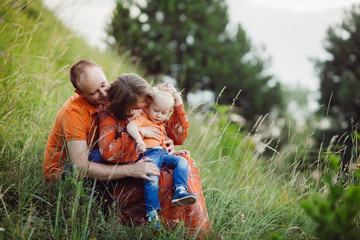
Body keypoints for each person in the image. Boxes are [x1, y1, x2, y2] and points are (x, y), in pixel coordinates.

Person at [99, 74, 211, 235]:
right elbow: (110, 153)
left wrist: (177, 101)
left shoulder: (147, 110)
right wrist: (140, 134)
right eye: (140, 106)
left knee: (186, 161)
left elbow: (178, 137)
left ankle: (190, 229)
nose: (144, 109)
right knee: (161, 176)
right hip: (124, 176)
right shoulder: (110, 117)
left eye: (146, 104)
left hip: (155, 156)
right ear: (126, 107)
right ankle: (157, 224)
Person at [43, 59, 160, 182]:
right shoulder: (73, 112)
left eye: (103, 85)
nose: (104, 94)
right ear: (80, 93)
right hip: (65, 171)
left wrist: (161, 143)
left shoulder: (110, 97)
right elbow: (80, 167)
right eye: (94, 92)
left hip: (99, 153)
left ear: (103, 72)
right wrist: (130, 170)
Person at [126, 84, 197, 228]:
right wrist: (140, 138)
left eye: (164, 113)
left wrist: (175, 153)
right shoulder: (143, 117)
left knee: (182, 162)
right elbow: (131, 126)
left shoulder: (161, 124)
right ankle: (152, 212)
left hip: (163, 154)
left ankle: (180, 190)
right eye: (156, 110)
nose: (159, 115)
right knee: (151, 178)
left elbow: (165, 144)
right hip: (150, 153)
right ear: (148, 105)